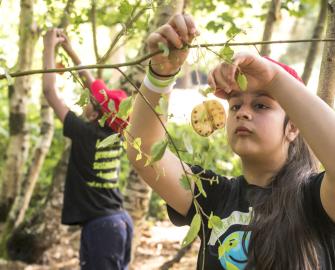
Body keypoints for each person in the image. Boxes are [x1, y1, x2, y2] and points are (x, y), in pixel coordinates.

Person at [126, 14, 335, 269]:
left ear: (293, 127)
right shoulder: (212, 195)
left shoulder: (315, 200)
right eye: (235, 105)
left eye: (261, 105)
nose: (243, 113)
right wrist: (161, 74)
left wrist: (274, 79)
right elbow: (145, 151)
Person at [43, 29, 133, 270]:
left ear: (95, 114)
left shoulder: (83, 133)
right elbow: (92, 85)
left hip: (102, 227)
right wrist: (70, 50)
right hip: (120, 221)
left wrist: (48, 48)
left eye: (90, 100)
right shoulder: (117, 131)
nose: (86, 99)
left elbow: (49, 93)